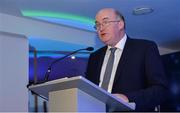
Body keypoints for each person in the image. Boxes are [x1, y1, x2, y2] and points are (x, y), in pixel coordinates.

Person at [85, 8, 168, 111]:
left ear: (120, 24)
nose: (100, 28)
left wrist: (128, 98)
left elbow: (160, 90)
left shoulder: (145, 48)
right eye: (97, 25)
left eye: (105, 22)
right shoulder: (94, 57)